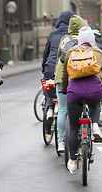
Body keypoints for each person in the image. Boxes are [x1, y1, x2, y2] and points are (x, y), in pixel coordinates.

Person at [61, 26, 102, 174]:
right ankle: (95, 125)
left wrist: (65, 90)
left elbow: (64, 74)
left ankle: (73, 161)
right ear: (92, 40)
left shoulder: (71, 52)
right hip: (94, 91)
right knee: (95, 104)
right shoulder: (98, 52)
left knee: (74, 127)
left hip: (74, 92)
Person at [54, 15, 88, 154]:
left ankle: (61, 141)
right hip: (80, 77)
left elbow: (58, 58)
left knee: (62, 109)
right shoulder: (86, 40)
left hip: (61, 77)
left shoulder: (64, 40)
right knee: (81, 106)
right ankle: (83, 134)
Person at [41, 10, 74, 151]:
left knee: (49, 88)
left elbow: (46, 52)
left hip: (50, 70)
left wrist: (44, 67)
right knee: (63, 105)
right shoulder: (72, 35)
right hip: (67, 72)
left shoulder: (53, 33)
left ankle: (49, 108)